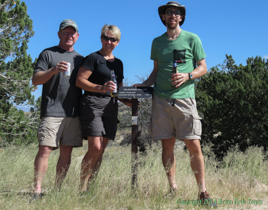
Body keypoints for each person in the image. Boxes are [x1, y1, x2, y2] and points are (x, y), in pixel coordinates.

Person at [133, 1, 216, 205]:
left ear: (181, 17)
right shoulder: (157, 42)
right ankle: (172, 189)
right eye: (168, 12)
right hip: (161, 99)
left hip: (185, 98)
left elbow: (203, 67)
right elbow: (155, 71)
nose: (172, 15)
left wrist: (188, 76)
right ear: (163, 17)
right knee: (167, 144)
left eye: (176, 13)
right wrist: (142, 86)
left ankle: (203, 192)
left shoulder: (192, 38)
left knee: (193, 143)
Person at [76, 24, 131, 193]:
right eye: (106, 38)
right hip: (93, 104)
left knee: (102, 149)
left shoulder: (119, 63)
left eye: (112, 39)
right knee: (95, 148)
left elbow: (118, 88)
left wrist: (128, 101)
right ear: (101, 39)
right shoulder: (93, 58)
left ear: (118, 42)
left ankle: (91, 187)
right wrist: (101, 88)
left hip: (111, 106)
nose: (109, 41)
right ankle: (82, 188)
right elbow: (80, 81)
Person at [32, 19, 83, 198]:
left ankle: (57, 190)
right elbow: (36, 80)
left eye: (72, 33)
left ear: (77, 36)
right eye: (65, 32)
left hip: (73, 112)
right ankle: (37, 190)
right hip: (52, 110)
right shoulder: (48, 54)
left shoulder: (80, 59)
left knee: (66, 151)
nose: (69, 35)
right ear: (59, 34)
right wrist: (53, 70)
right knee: (45, 150)